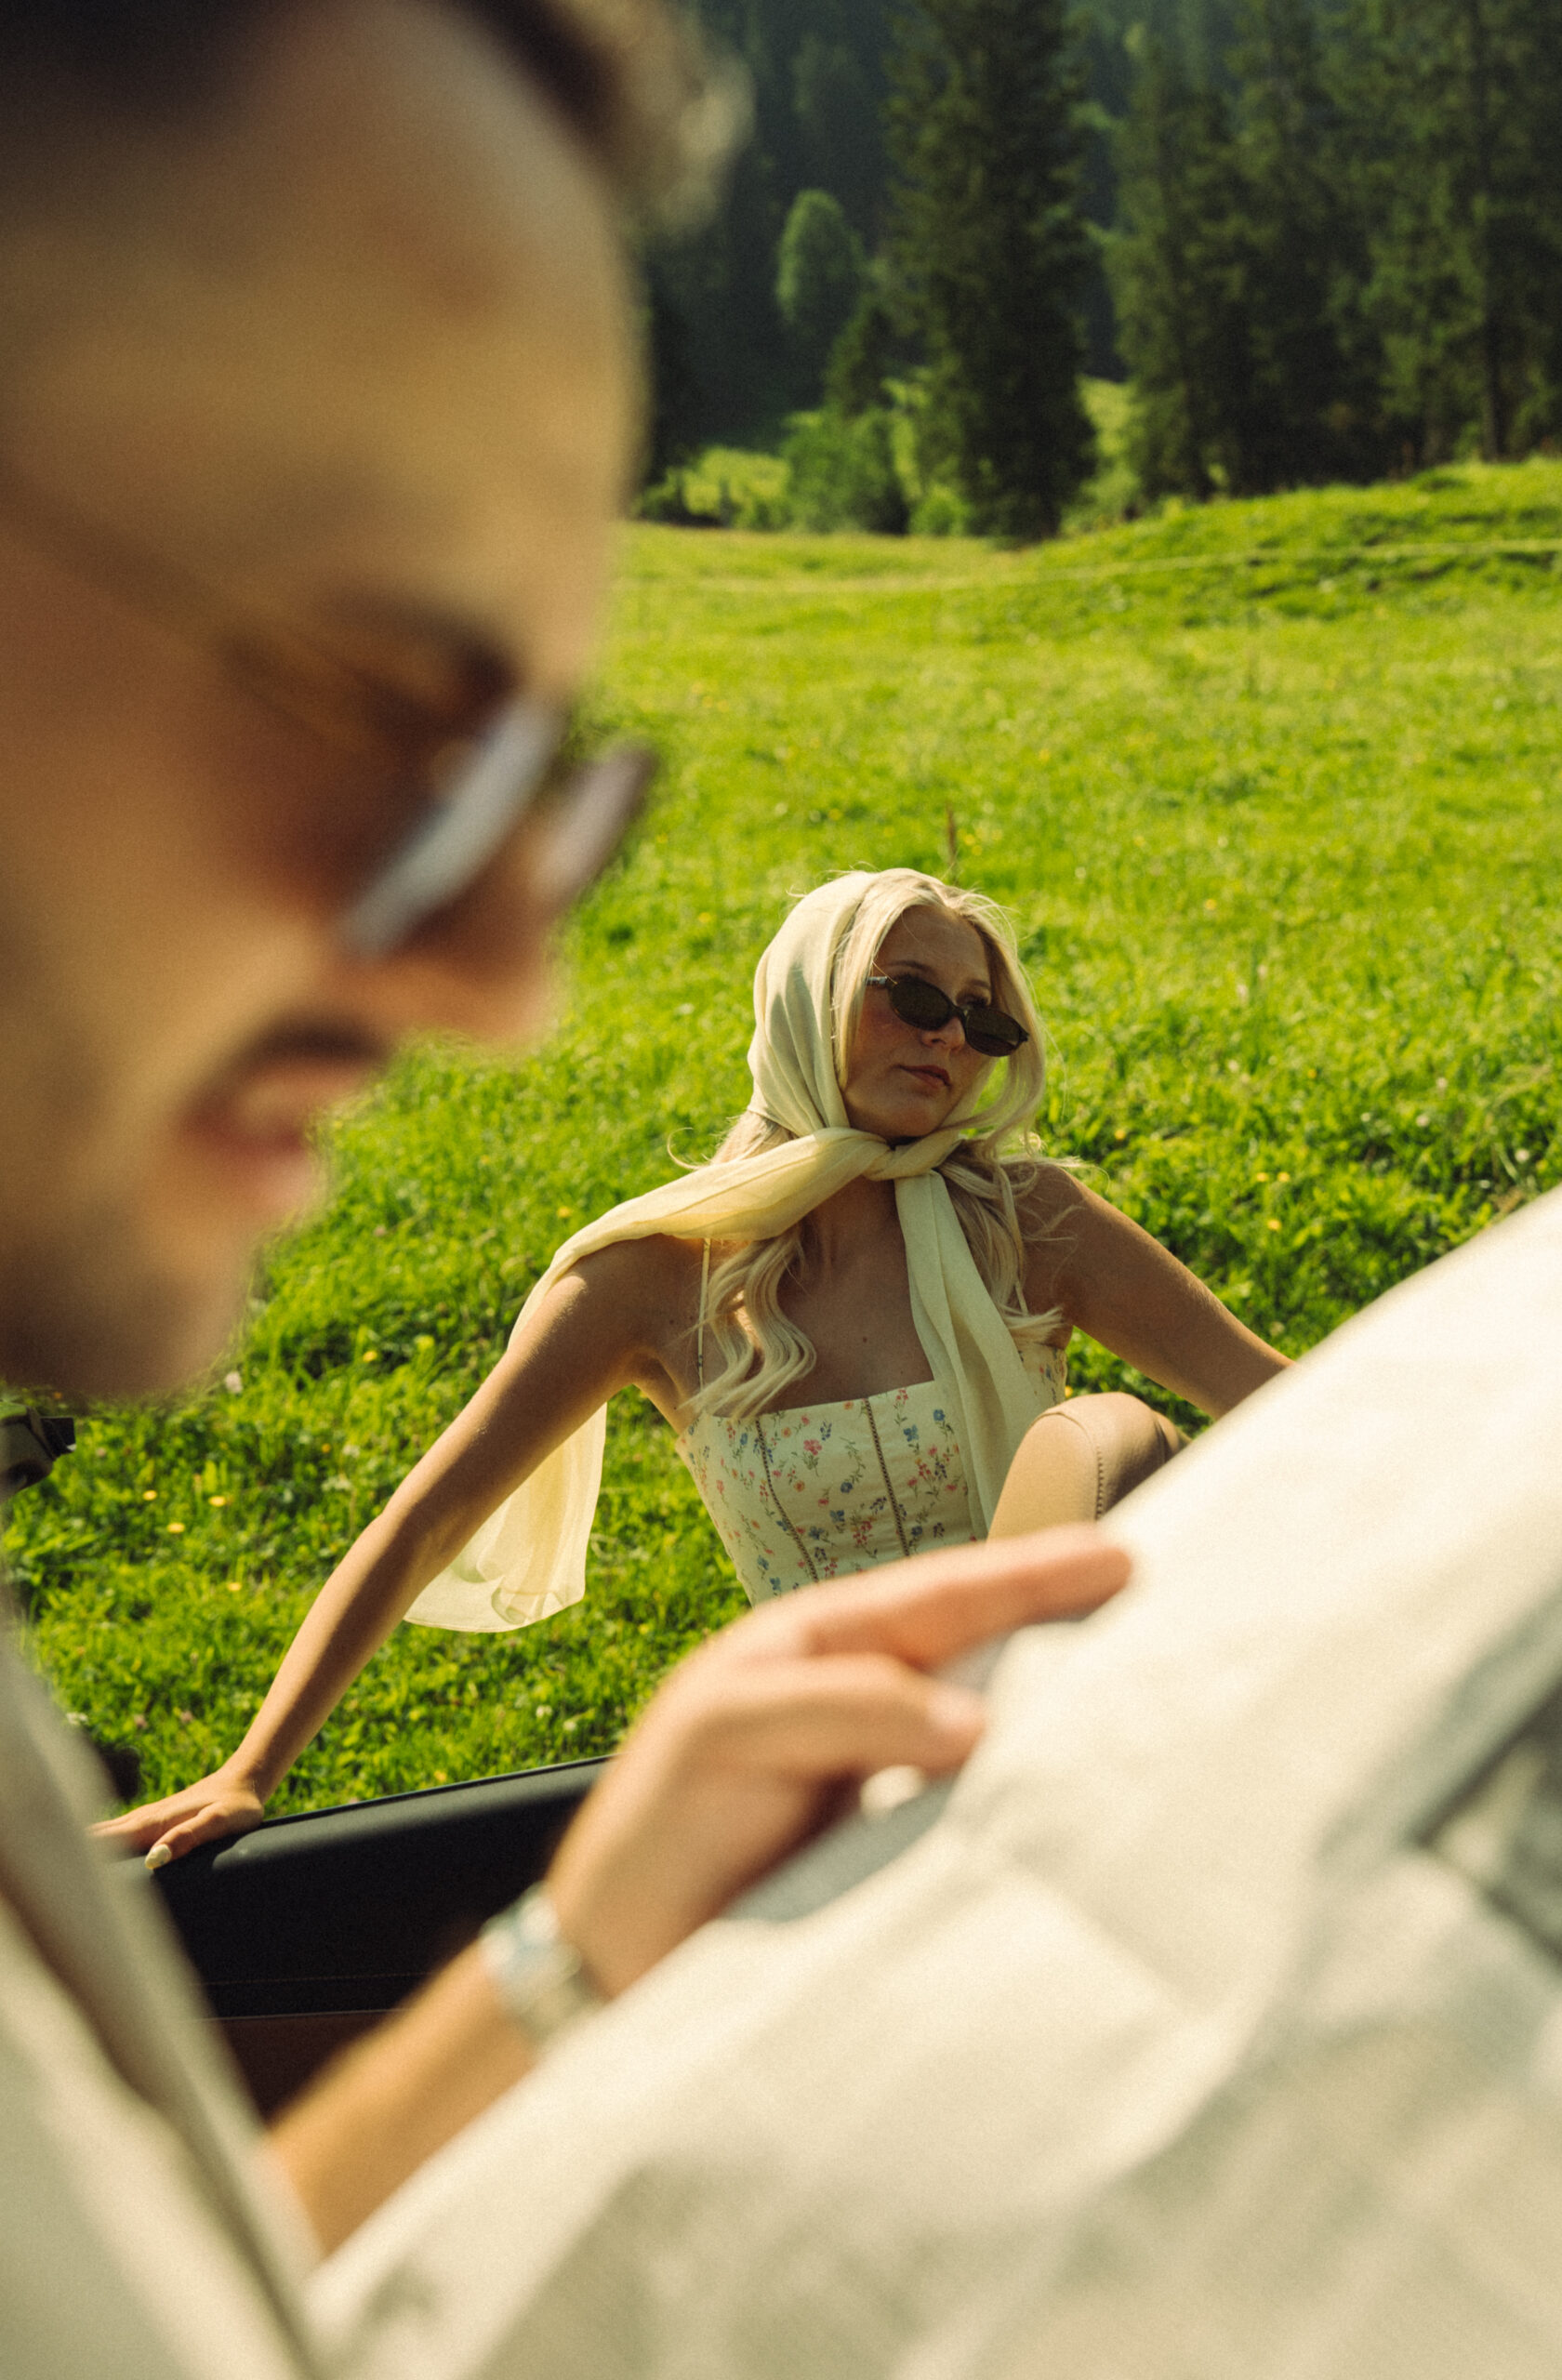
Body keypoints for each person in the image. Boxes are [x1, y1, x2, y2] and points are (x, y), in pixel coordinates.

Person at [0, 0, 1128, 2370]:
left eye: (538, 788)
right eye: (371, 701)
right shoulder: (661, 1272)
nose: (504, 974)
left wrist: (562, 1949)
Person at [105, 864, 1290, 1868]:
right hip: (832, 1796)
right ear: (809, 999)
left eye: (982, 1022)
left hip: (1074, 1742)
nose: (947, 1036)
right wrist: (251, 1770)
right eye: (915, 995)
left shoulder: (1030, 1222)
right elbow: (432, 1513)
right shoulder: (654, 1275)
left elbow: (1282, 1407)